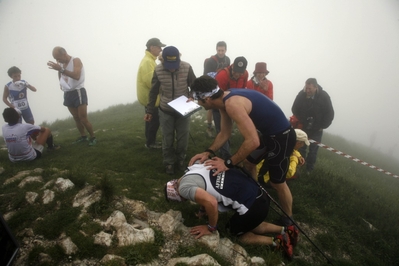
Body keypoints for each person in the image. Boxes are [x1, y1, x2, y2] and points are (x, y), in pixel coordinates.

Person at [189, 75, 297, 227]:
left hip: (283, 137)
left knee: (277, 182)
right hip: (269, 134)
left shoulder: (233, 105)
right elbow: (224, 133)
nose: (198, 103)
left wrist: (228, 163)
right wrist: (208, 152)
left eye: (197, 100)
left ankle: (289, 219)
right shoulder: (224, 100)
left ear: (206, 99)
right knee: (248, 163)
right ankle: (256, 196)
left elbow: (253, 141)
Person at [164, 161, 295, 259]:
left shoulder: (183, 189)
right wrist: (202, 211)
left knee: (235, 234)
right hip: (259, 193)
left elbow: (211, 202)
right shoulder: (193, 168)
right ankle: (286, 230)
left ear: (177, 195)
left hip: (253, 206)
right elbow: (205, 188)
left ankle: (278, 242)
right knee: (251, 222)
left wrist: (210, 227)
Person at [144, 46, 196, 174]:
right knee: (167, 139)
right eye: (169, 64)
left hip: (183, 110)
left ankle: (180, 161)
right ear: (163, 61)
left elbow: (194, 85)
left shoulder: (187, 67)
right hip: (165, 110)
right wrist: (150, 111)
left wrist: (192, 95)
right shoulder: (158, 70)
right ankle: (168, 163)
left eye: (174, 64)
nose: (172, 68)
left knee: (183, 139)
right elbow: (153, 91)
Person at [47, 46, 97, 146]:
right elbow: (60, 73)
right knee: (76, 117)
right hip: (68, 92)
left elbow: (76, 76)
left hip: (78, 91)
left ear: (64, 53)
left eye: (58, 57)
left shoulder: (76, 60)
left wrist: (61, 69)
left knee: (83, 118)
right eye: (56, 59)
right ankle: (83, 136)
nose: (57, 60)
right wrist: (60, 83)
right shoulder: (61, 64)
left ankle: (93, 137)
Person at [291, 78, 334, 173]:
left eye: (310, 88)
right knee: (301, 147)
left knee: (313, 150)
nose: (307, 90)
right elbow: (294, 108)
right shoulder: (301, 94)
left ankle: (309, 169)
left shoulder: (324, 96)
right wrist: (301, 119)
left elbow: (330, 113)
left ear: (316, 87)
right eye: (306, 88)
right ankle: (298, 167)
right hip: (303, 127)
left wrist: (322, 126)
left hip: (317, 130)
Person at [212, 56, 249, 160]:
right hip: (219, 104)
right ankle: (225, 156)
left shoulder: (245, 74)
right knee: (222, 129)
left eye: (240, 73)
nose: (238, 75)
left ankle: (224, 148)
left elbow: (243, 89)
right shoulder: (222, 76)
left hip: (234, 105)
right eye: (236, 71)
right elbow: (217, 96)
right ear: (232, 67)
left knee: (229, 128)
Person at [137, 38, 166, 149]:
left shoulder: (150, 60)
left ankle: (150, 141)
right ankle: (150, 143)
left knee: (150, 120)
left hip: (148, 96)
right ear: (152, 48)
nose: (161, 49)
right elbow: (151, 83)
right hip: (150, 97)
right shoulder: (148, 62)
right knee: (153, 121)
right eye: (159, 47)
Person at [203, 41, 231, 138]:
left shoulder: (227, 60)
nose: (220, 52)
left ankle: (223, 129)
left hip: (223, 86)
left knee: (222, 106)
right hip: (212, 86)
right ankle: (209, 127)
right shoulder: (211, 61)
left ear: (226, 50)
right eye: (219, 50)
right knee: (212, 107)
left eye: (222, 50)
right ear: (216, 49)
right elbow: (206, 74)